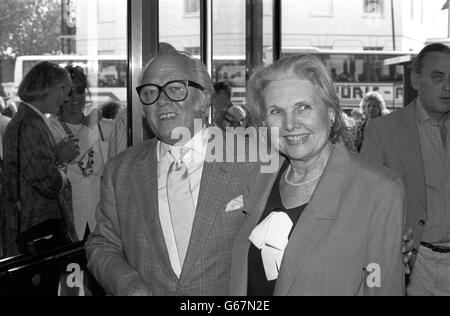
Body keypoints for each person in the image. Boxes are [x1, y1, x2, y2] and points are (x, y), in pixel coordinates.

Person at [230, 54, 406, 296]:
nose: (290, 124)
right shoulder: (260, 179)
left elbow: (379, 287)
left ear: (331, 114)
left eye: (303, 107)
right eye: (276, 111)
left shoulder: (378, 190)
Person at [86, 50, 256, 296]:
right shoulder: (120, 171)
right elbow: (102, 243)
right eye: (150, 92)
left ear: (205, 98)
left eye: (176, 89)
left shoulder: (252, 159)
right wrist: (128, 287)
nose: (161, 101)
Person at [361, 43, 450, 296]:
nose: (448, 86)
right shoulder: (382, 131)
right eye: (438, 76)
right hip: (414, 265)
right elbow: (367, 201)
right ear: (415, 79)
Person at [1, 61, 79, 258]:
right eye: (64, 89)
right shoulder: (30, 125)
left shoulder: (28, 121)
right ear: (47, 87)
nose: (66, 97)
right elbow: (48, 184)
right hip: (36, 235)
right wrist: (61, 159)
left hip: (32, 233)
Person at [49, 65, 114, 240]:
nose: (76, 97)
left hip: (99, 217)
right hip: (67, 218)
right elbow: (73, 155)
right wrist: (88, 126)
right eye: (69, 92)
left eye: (80, 90)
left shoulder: (103, 126)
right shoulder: (51, 128)